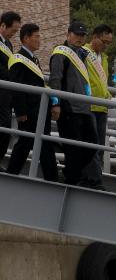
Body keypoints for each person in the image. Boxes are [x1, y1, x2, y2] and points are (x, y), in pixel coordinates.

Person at [5, 23, 60, 180]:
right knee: (30, 143)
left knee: (36, 143)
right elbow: (17, 86)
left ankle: (13, 173)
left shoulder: (33, 59)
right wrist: (21, 111)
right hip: (29, 111)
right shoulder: (19, 59)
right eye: (36, 36)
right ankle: (51, 178)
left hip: (39, 109)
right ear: (26, 38)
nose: (39, 39)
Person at [48, 21, 95, 186]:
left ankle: (70, 174)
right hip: (68, 108)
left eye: (82, 35)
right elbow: (55, 79)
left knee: (92, 146)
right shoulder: (61, 52)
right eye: (76, 34)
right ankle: (72, 180)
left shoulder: (82, 54)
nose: (80, 38)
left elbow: (86, 82)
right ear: (68, 34)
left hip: (84, 108)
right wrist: (56, 103)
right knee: (73, 149)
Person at [80, 24, 113, 190]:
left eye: (109, 43)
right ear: (95, 37)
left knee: (98, 147)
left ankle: (89, 177)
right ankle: (94, 180)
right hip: (90, 106)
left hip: (102, 107)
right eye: (104, 41)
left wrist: (108, 95)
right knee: (92, 144)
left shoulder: (104, 58)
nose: (106, 46)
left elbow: (102, 83)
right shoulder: (84, 53)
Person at [0, 11, 22, 164]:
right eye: (12, 30)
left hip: (6, 95)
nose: (13, 34)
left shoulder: (8, 44)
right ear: (2, 26)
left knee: (6, 128)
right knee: (4, 126)